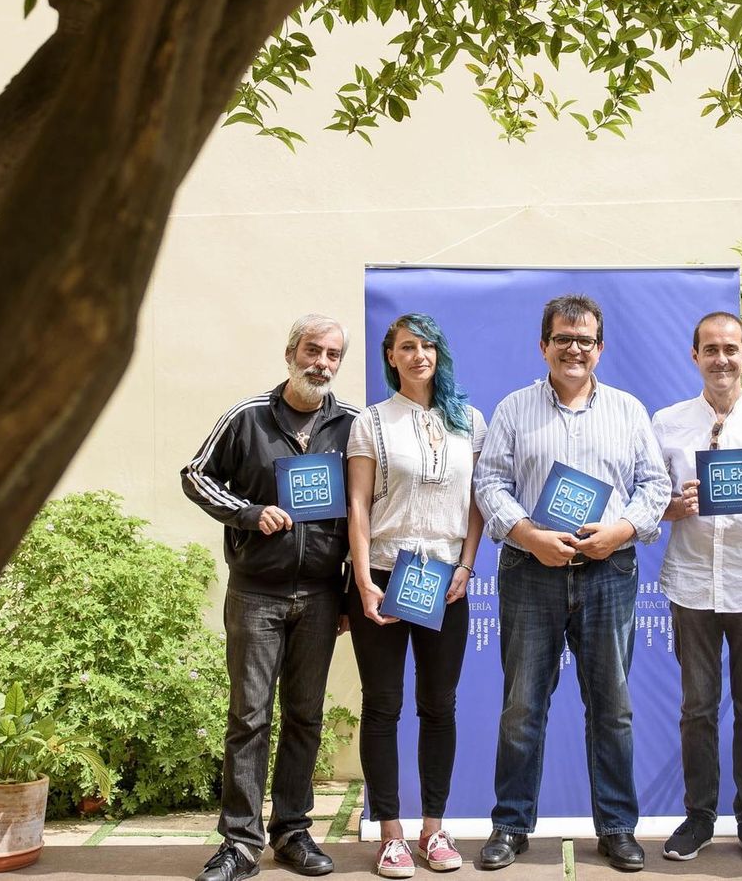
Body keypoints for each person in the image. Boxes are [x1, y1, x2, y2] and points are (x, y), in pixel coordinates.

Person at [473, 294, 671, 873]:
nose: (574, 349)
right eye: (563, 338)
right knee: (521, 707)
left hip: (609, 571)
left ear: (600, 348)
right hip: (530, 572)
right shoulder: (512, 409)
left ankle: (616, 827)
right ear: (544, 346)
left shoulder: (630, 411)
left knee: (612, 708)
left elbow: (654, 487)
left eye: (585, 340)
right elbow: (490, 484)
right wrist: (529, 534)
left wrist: (621, 530)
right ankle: (510, 826)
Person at [180, 315, 358, 881]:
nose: (322, 363)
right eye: (313, 351)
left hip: (324, 594)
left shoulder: (353, 425)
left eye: (332, 355)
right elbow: (196, 475)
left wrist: (353, 592)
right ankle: (238, 842)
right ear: (290, 353)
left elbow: (366, 511)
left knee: (305, 716)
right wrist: (251, 514)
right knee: (249, 718)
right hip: (257, 592)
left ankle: (293, 832)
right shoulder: (247, 417)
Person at [651, 312, 742, 865]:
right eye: (710, 349)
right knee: (696, 707)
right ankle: (699, 817)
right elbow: (651, 505)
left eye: (731, 349)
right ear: (695, 356)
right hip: (690, 581)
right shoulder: (667, 423)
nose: (721, 359)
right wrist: (676, 506)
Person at [346, 314, 487, 878]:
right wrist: (362, 581)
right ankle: (390, 835)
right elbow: (358, 505)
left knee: (439, 706)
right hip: (383, 573)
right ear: (391, 356)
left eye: (427, 344)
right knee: (382, 706)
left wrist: (468, 565)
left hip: (444, 581)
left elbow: (478, 500)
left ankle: (434, 829)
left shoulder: (468, 421)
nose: (418, 354)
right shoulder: (371, 423)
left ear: (438, 353)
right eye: (407, 346)